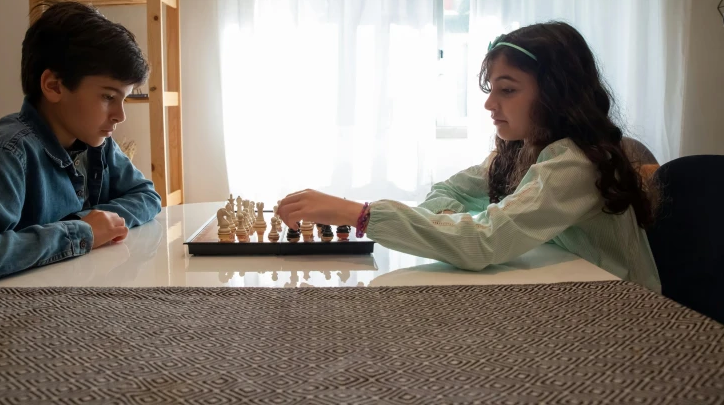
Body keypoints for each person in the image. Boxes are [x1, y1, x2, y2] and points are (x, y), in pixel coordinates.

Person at [277, 22, 661, 292]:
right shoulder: (520, 149)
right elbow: (447, 191)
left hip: (617, 311)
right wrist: (455, 223)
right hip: (559, 286)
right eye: (491, 89)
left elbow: (483, 242)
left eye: (507, 90)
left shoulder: (574, 164)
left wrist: (357, 214)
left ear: (555, 93)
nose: (490, 104)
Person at [0, 1, 162, 289]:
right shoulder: (9, 152)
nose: (120, 115)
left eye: (125, 98)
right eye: (108, 97)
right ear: (54, 86)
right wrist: (81, 232)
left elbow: (146, 195)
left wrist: (90, 223)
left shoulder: (95, 140)